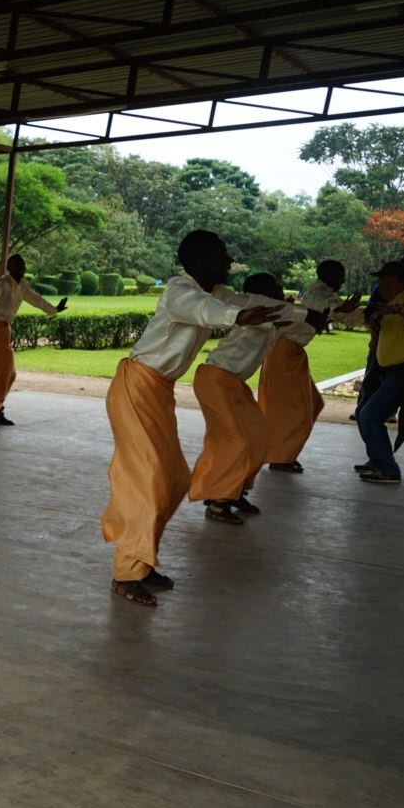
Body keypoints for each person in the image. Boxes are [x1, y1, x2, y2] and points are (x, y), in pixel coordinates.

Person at [101, 231, 283, 606]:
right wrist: (237, 317)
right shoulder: (179, 291)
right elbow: (201, 309)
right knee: (145, 481)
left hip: (158, 390)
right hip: (136, 386)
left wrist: (299, 313)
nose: (229, 262)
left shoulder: (213, 293)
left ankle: (141, 557)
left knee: (174, 479)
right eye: (222, 255)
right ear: (201, 263)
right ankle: (127, 572)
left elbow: (243, 301)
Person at [190, 274, 319, 523]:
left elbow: (301, 325)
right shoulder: (256, 313)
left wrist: (319, 315)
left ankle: (234, 490)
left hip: (233, 383)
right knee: (236, 441)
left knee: (259, 436)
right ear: (260, 295)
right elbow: (291, 317)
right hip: (215, 379)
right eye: (275, 288)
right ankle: (218, 502)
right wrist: (304, 313)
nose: (281, 289)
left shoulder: (271, 316)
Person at [260, 260, 361, 473]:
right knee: (293, 410)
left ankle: (284, 453)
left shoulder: (325, 292)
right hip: (284, 352)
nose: (343, 279)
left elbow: (340, 311)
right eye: (340, 274)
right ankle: (280, 457)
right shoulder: (320, 293)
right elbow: (336, 309)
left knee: (311, 404)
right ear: (329, 275)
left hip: (292, 352)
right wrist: (345, 310)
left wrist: (367, 315)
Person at [0, 254, 67, 429]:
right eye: (19, 266)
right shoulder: (3, 283)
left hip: (3, 329)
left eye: (23, 266)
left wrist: (54, 309)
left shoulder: (22, 286)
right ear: (9, 268)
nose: (23, 269)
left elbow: (37, 300)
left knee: (8, 372)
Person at [355, 261, 404, 484]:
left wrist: (393, 310)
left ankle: (388, 469)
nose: (379, 284)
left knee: (370, 416)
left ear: (395, 281)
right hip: (387, 372)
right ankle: (377, 462)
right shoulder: (392, 302)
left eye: (382, 279)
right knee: (362, 413)